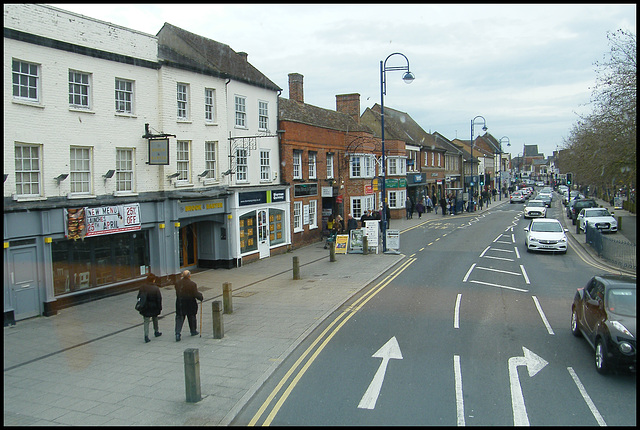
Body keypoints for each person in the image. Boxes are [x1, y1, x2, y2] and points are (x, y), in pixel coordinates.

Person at [175, 270, 203, 341]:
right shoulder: (192, 284)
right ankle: (193, 331)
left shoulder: (178, 283)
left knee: (179, 318)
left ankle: (177, 333)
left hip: (180, 303)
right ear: (189, 276)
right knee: (191, 317)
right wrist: (200, 297)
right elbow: (195, 293)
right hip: (190, 304)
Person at [137, 273, 162, 343]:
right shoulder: (156, 288)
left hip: (145, 307)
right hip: (154, 307)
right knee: (155, 319)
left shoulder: (142, 287)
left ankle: (146, 335)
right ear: (153, 280)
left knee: (146, 321)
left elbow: (139, 296)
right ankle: (156, 331)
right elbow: (159, 299)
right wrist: (159, 307)